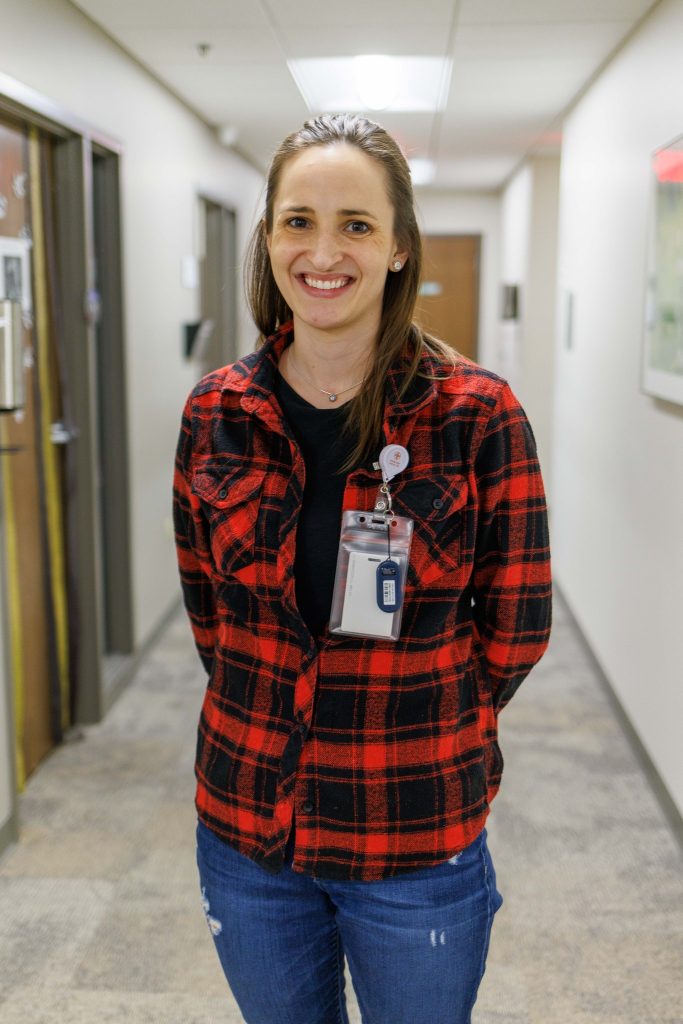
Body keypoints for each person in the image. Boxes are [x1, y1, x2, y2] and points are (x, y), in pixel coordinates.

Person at [173, 113, 552, 1024]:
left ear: (396, 248)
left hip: (413, 822)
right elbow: (209, 613)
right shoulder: (216, 411)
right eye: (298, 221)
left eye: (356, 224)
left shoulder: (475, 415)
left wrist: (429, 711)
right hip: (249, 826)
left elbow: (517, 622)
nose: (323, 251)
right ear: (267, 241)